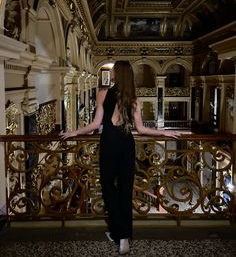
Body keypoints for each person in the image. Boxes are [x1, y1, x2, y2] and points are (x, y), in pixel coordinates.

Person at [60, 60, 180, 255]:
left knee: (108, 188)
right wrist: (163, 133)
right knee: (125, 190)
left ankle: (119, 234)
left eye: (114, 70)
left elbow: (94, 125)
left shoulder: (102, 94)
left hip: (108, 144)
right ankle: (124, 236)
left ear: (116, 74)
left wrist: (74, 133)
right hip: (127, 145)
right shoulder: (133, 99)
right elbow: (141, 129)